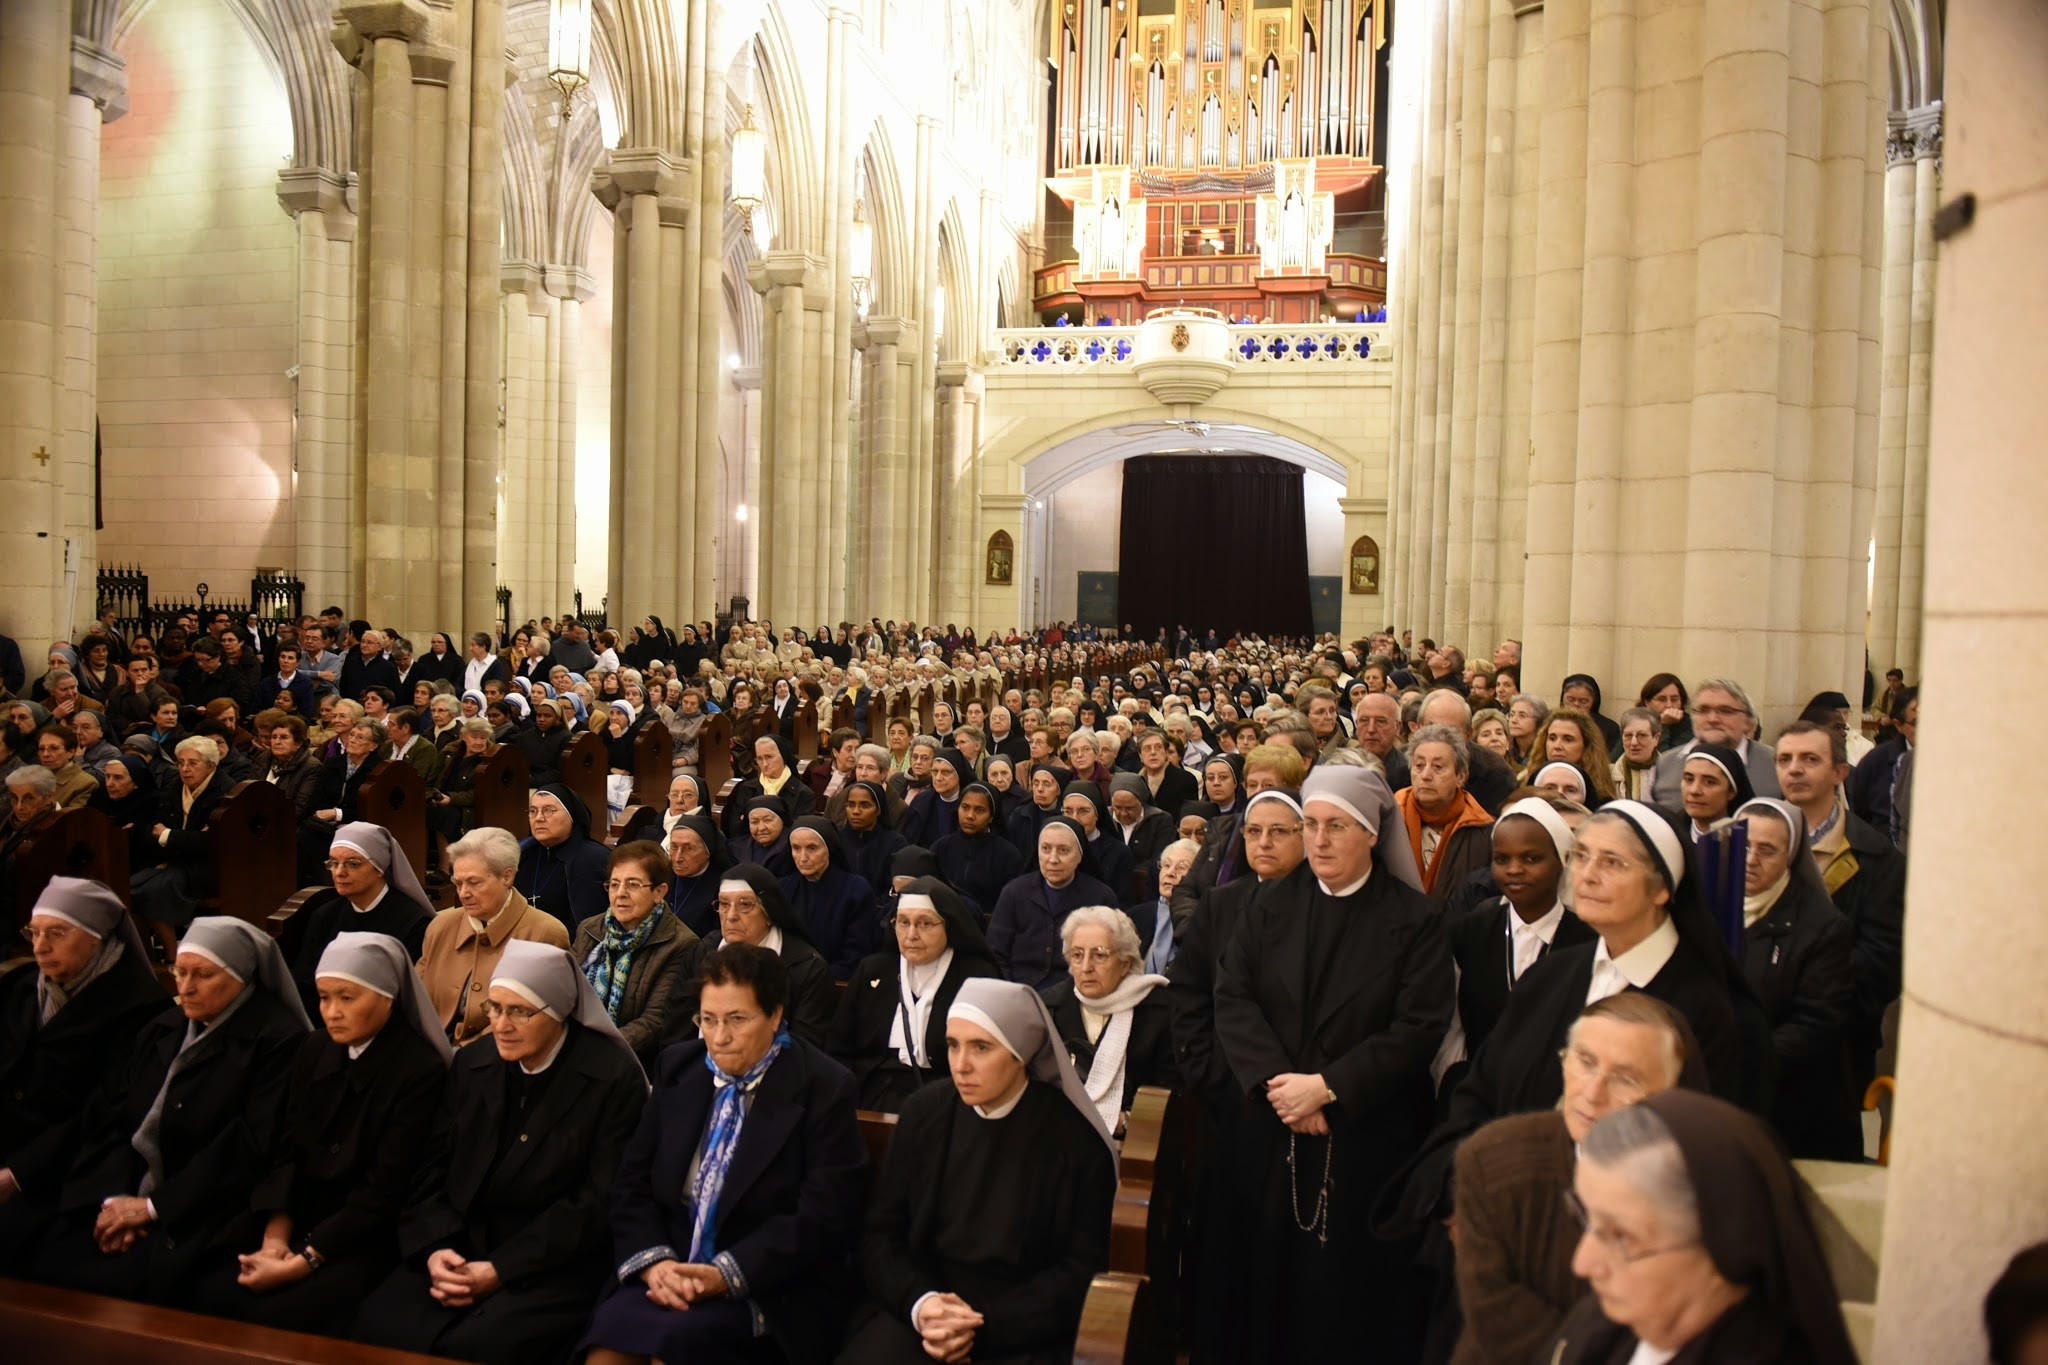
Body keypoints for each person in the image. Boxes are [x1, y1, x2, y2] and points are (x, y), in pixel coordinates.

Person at [1212, 763, 1452, 1359]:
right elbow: (1233, 997)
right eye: (1311, 825)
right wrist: (1282, 1087)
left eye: (1336, 827)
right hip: (1273, 1124)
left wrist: (1329, 1086)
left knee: (1345, 1298)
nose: (1318, 841)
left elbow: (1419, 1026)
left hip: (1367, 1132)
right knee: (1267, 1285)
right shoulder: (1268, 905)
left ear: (1371, 833)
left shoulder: (1416, 920)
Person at [354, 940, 647, 1365]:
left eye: (519, 1012)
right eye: (494, 1008)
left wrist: (500, 1270)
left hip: (549, 1263)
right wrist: (436, 1248)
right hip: (459, 1243)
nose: (501, 1025)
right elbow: (431, 1169)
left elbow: (596, 1202)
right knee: (375, 1324)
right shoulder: (473, 1063)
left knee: (479, 1347)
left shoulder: (610, 1078)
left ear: (558, 1010)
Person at [582, 944, 867, 1365]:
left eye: (737, 1019)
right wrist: (655, 1263)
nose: (719, 1037)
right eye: (708, 1019)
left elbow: (824, 1214)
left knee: (673, 1347)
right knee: (607, 1349)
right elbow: (632, 1182)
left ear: (775, 1016)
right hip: (670, 1264)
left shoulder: (822, 1087)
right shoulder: (680, 1067)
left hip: (769, 1280)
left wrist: (723, 1275)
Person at [0, 918, 309, 1298]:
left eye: (204, 975)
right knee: (37, 1249)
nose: (186, 987)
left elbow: (246, 1146)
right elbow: (112, 1117)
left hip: (204, 1206)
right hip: (125, 1191)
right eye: (180, 971)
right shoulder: (164, 1027)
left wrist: (151, 1208)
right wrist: (113, 1202)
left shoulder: (278, 1041)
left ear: (242, 975)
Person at [836, 978, 1116, 1365]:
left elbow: (1080, 1271)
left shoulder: (1074, 1141)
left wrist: (980, 1328)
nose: (961, 1065)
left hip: (1024, 1327)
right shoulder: (924, 1113)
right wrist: (921, 1305)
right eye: (953, 1045)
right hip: (925, 1311)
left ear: (1021, 1052)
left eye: (981, 1047)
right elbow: (881, 1234)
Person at [193, 933, 451, 1333]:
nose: (332, 1012)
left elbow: (383, 1191)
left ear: (388, 997)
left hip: (365, 1235)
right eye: (324, 997)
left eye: (347, 998)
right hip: (296, 1216)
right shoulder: (315, 1047)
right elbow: (285, 1150)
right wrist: (275, 1240)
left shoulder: (419, 1069)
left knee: (283, 1316)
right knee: (205, 1284)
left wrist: (302, 1262)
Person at [1448, 994, 1703, 1365]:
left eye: (1625, 1078)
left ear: (1672, 1095)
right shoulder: (1490, 1160)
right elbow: (1496, 1314)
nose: (1593, 1093)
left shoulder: (1697, 1191)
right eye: (1585, 1062)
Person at [1542, 1091, 1857, 1364]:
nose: (1582, 1263)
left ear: (1726, 1247)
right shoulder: (1602, 1321)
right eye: (1586, 1217)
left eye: (1622, 1237)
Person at [1775, 719, 1905, 1094]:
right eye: (1785, 759)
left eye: (1810, 759)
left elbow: (1882, 958)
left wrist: (1804, 990)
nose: (1794, 769)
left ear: (1840, 773)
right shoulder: (1747, 842)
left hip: (1837, 1044)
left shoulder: (1876, 855)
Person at [0, 879, 167, 1164]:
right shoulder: (19, 987)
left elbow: (110, 1111)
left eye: (56, 934)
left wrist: (20, 1174)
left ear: (96, 936)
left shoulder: (141, 1008)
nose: (40, 947)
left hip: (77, 1164)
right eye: (34, 933)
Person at [1732, 797, 1859, 1160]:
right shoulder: (1711, 907)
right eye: (1743, 845)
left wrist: (1742, 1059)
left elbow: (1817, 1022)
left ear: (1790, 856)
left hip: (1790, 1105)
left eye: (1767, 850)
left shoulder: (1822, 927)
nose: (1750, 859)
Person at [1443, 798, 1596, 1074]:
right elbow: (1455, 1029)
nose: (1514, 869)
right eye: (1502, 859)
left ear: (1563, 860)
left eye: (1531, 858)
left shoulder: (1588, 939)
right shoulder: (1472, 930)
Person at [829, 878, 1001, 1112]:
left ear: (949, 925)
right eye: (903, 922)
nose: (911, 935)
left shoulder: (975, 977)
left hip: (949, 1094)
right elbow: (839, 1046)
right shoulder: (873, 970)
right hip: (874, 1090)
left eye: (925, 924)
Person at [416, 827, 572, 1046]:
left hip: (501, 1055)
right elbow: (416, 1000)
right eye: (458, 883)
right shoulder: (441, 926)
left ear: (507, 876)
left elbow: (540, 1018)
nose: (463, 893)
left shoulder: (545, 933)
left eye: (474, 882)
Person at [663, 864, 840, 1049]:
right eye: (724, 904)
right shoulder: (703, 952)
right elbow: (676, 1032)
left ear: (769, 913)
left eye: (745, 905)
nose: (731, 916)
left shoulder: (807, 969)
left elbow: (805, 1049)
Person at [1042, 906, 1174, 1137]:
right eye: (1077, 955)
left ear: (1125, 964)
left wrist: (1125, 1121)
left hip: (1138, 1141)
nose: (1086, 968)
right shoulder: (1049, 1007)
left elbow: (1167, 1094)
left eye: (1100, 955)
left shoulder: (1159, 1011)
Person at [571, 840, 700, 1066]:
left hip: (634, 1063)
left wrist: (594, 1049)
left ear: (659, 892)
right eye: (614, 884)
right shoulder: (590, 929)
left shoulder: (681, 944)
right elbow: (565, 990)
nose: (620, 893)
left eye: (632, 884)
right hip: (577, 1046)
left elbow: (654, 1021)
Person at [284, 820, 435, 1013]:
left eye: (353, 864)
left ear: (379, 868)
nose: (339, 873)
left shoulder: (414, 923)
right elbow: (304, 981)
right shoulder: (324, 915)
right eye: (333, 863)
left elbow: (407, 996)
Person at [986, 817, 1119, 989]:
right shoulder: (1014, 892)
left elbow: (1108, 957)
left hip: (1074, 992)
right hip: (1017, 989)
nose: (1053, 859)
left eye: (1063, 850)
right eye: (1046, 849)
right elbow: (995, 954)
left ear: (1080, 855)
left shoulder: (1101, 897)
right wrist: (1009, 990)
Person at [129, 735, 229, 933]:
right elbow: (155, 827)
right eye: (180, 763)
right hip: (172, 860)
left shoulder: (225, 792)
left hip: (206, 867)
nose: (185, 769)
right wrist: (180, 837)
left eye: (192, 763)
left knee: (153, 892)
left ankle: (172, 950)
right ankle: (146, 949)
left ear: (210, 765)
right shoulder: (175, 786)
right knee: (127, 888)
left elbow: (210, 842)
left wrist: (168, 835)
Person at [1395, 723, 1495, 901]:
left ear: (1460, 777)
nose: (1425, 775)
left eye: (1438, 767)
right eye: (1419, 765)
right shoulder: (1391, 819)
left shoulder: (1483, 830)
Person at [1650, 678, 1780, 805]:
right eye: (1703, 710)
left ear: (1748, 722)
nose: (1713, 719)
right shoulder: (1667, 763)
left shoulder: (1775, 762)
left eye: (1726, 711)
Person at [781, 817, 881, 981]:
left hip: (837, 983)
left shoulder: (856, 890)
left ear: (829, 848)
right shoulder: (784, 888)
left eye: (812, 848)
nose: (803, 857)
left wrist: (815, 978)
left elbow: (856, 955)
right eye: (796, 848)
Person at [518, 783, 611, 934]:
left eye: (548, 810)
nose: (539, 818)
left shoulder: (593, 858)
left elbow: (593, 925)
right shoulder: (522, 854)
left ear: (571, 815)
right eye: (533, 811)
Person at [930, 782, 1026, 922]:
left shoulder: (1008, 855)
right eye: (965, 807)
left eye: (979, 810)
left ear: (991, 816)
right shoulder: (941, 847)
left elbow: (1014, 905)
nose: (970, 816)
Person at [1679, 741, 1756, 841]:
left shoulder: (1751, 841)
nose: (1694, 790)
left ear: (1731, 792)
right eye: (1689, 779)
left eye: (1709, 782)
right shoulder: (1668, 831)